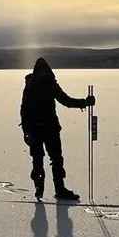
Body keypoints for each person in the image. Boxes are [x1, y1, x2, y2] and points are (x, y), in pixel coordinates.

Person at [19, 57, 94, 201]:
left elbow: (23, 110)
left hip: (36, 130)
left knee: (38, 159)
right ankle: (59, 189)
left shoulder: (30, 85)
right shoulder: (49, 84)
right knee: (56, 159)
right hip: (50, 129)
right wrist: (85, 102)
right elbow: (66, 101)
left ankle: (39, 188)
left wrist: (26, 131)